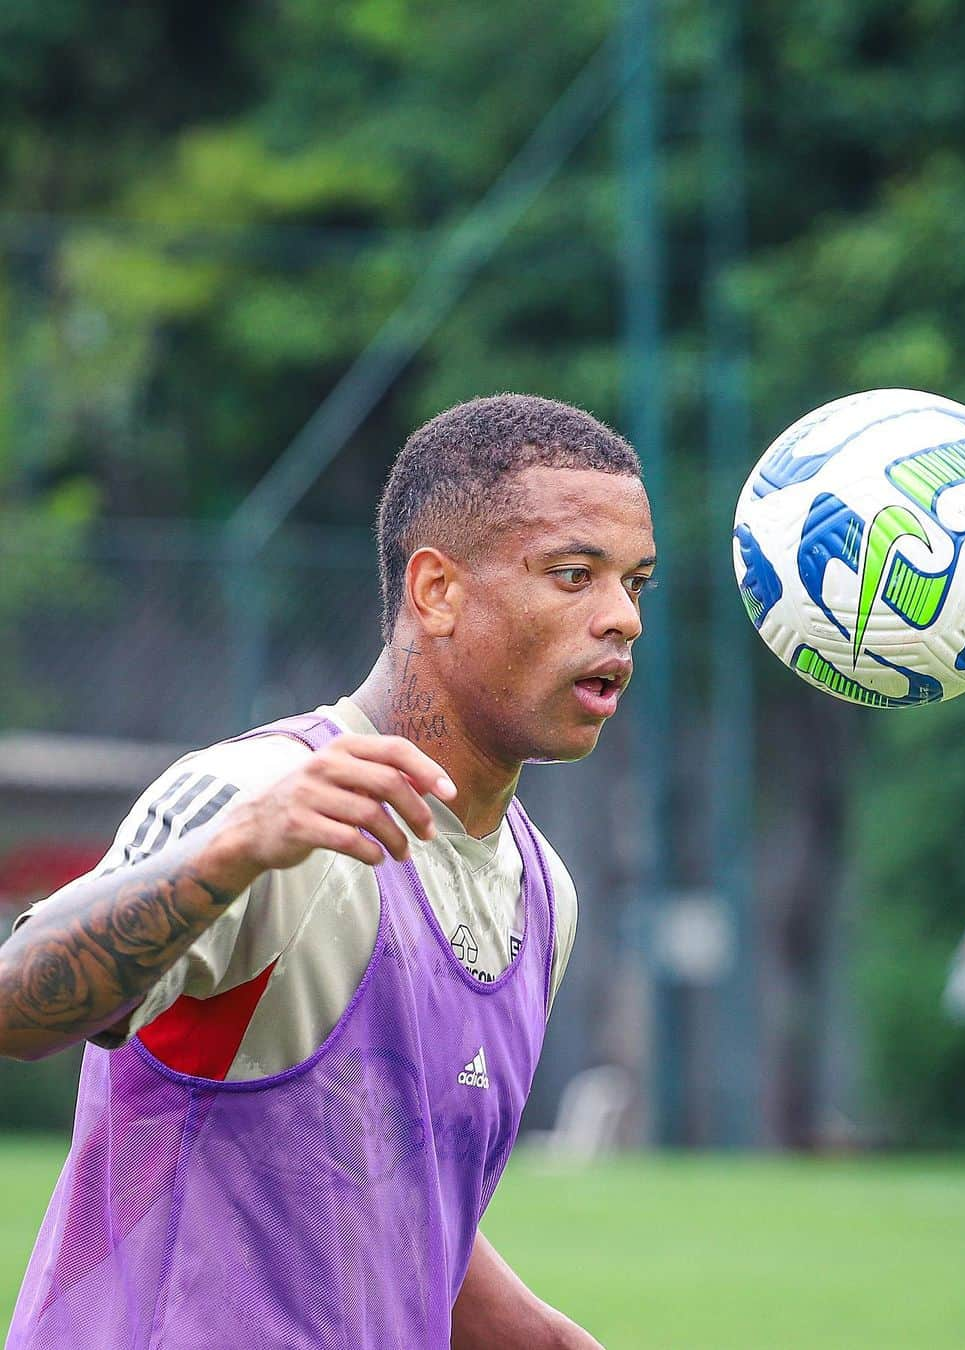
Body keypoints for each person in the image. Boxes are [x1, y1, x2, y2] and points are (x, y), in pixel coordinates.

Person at [0, 393, 656, 1349]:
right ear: (436, 591)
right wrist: (228, 854)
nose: (621, 618)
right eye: (573, 575)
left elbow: (386, 1182)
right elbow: (15, 1005)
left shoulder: (539, 886)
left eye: (637, 582)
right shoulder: (257, 794)